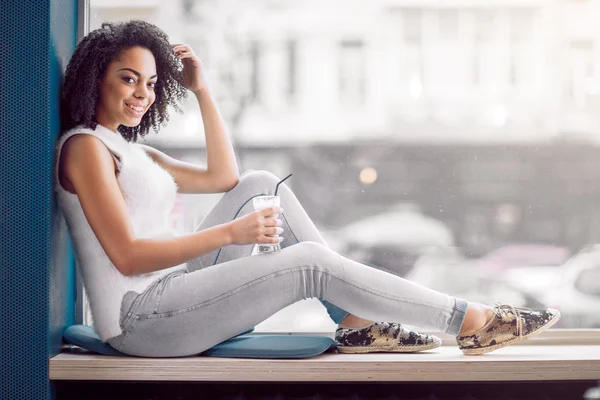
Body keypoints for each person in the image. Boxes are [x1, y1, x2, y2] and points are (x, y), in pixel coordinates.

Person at [55, 20, 560, 358]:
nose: (142, 94)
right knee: (309, 264)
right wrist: (230, 235)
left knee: (260, 183)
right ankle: (470, 319)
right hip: (140, 321)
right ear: (94, 79)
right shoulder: (85, 150)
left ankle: (357, 320)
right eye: (128, 80)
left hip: (170, 294)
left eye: (149, 83)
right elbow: (127, 257)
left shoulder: (127, 149)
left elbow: (226, 179)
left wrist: (202, 91)